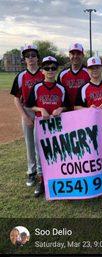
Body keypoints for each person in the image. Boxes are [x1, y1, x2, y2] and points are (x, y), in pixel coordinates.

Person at [27, 56, 70, 197]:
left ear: (56, 70)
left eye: (53, 68)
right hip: (41, 125)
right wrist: (40, 109)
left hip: (58, 125)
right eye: (47, 68)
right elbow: (29, 105)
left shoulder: (62, 88)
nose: (50, 70)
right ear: (42, 70)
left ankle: (58, 177)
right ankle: (42, 180)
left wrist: (61, 109)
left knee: (59, 151)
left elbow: (68, 105)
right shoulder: (37, 87)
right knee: (40, 153)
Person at [10, 44, 44, 187]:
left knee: (42, 144)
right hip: (28, 111)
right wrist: (24, 116)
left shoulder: (44, 73)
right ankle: (32, 172)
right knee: (30, 143)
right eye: (27, 56)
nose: (30, 58)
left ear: (37, 58)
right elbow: (16, 98)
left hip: (43, 111)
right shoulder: (21, 76)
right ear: (24, 59)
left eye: (33, 55)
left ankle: (43, 172)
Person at [57, 43, 90, 110]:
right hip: (67, 112)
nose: (75, 56)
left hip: (85, 111)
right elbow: (58, 94)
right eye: (73, 54)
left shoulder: (89, 72)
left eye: (78, 54)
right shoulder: (62, 74)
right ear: (69, 55)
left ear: (83, 55)